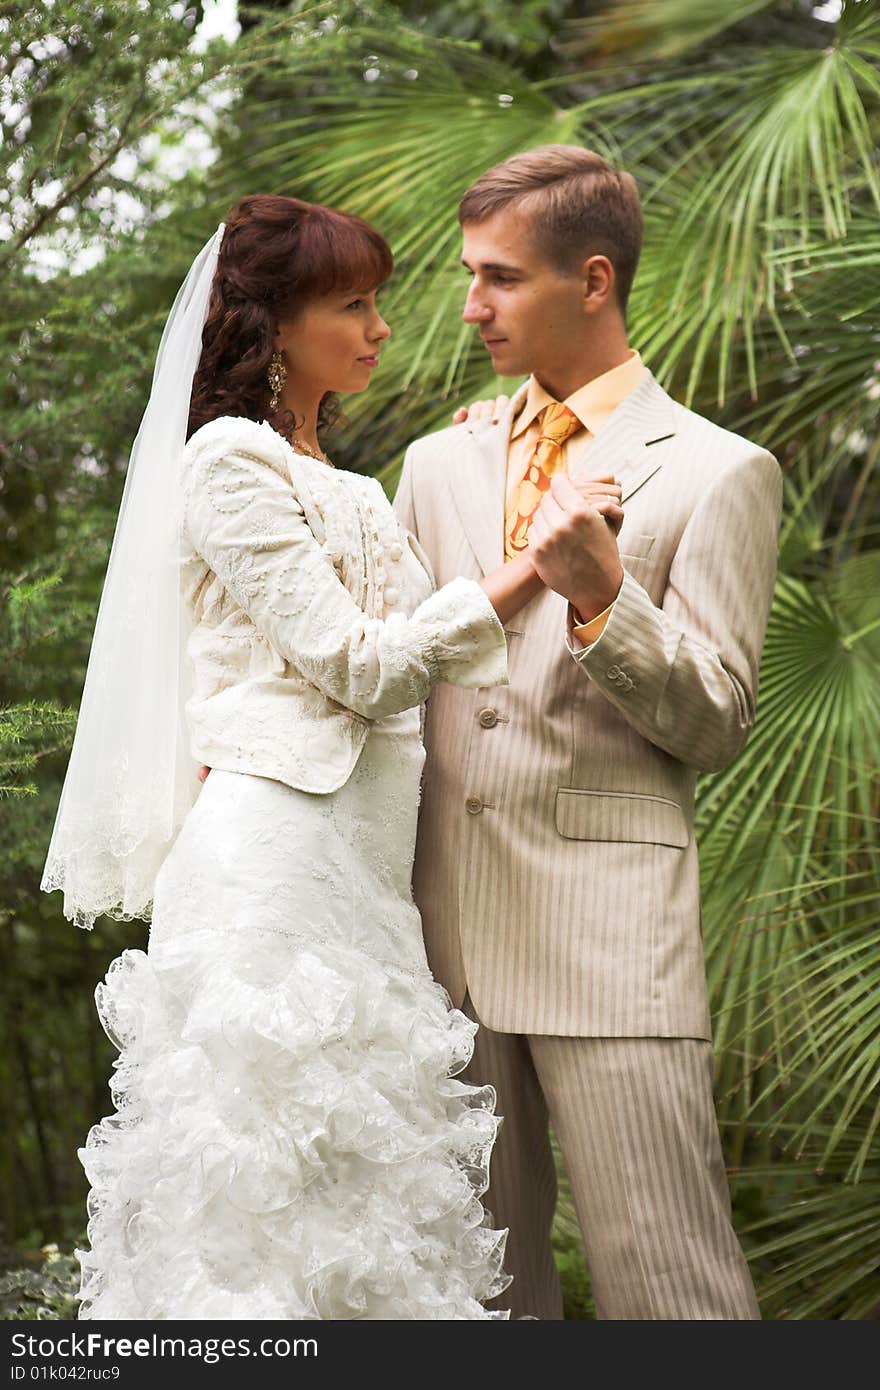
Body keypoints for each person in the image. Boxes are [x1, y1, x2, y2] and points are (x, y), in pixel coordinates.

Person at [40, 194, 613, 1320]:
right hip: (272, 865)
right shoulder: (226, 462)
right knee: (268, 1206)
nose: (381, 326)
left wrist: (478, 457)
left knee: (370, 1201)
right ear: (273, 323)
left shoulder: (346, 480)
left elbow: (417, 612)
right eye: (353, 304)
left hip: (366, 873)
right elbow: (361, 664)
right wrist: (540, 565)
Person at [393, 145, 783, 1320]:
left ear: (593, 279)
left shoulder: (721, 473)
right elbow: (400, 679)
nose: (471, 306)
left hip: (607, 941)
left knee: (669, 1285)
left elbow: (716, 718)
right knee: (475, 1294)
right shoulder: (431, 463)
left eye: (499, 279)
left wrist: (607, 603)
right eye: (472, 276)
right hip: (432, 948)